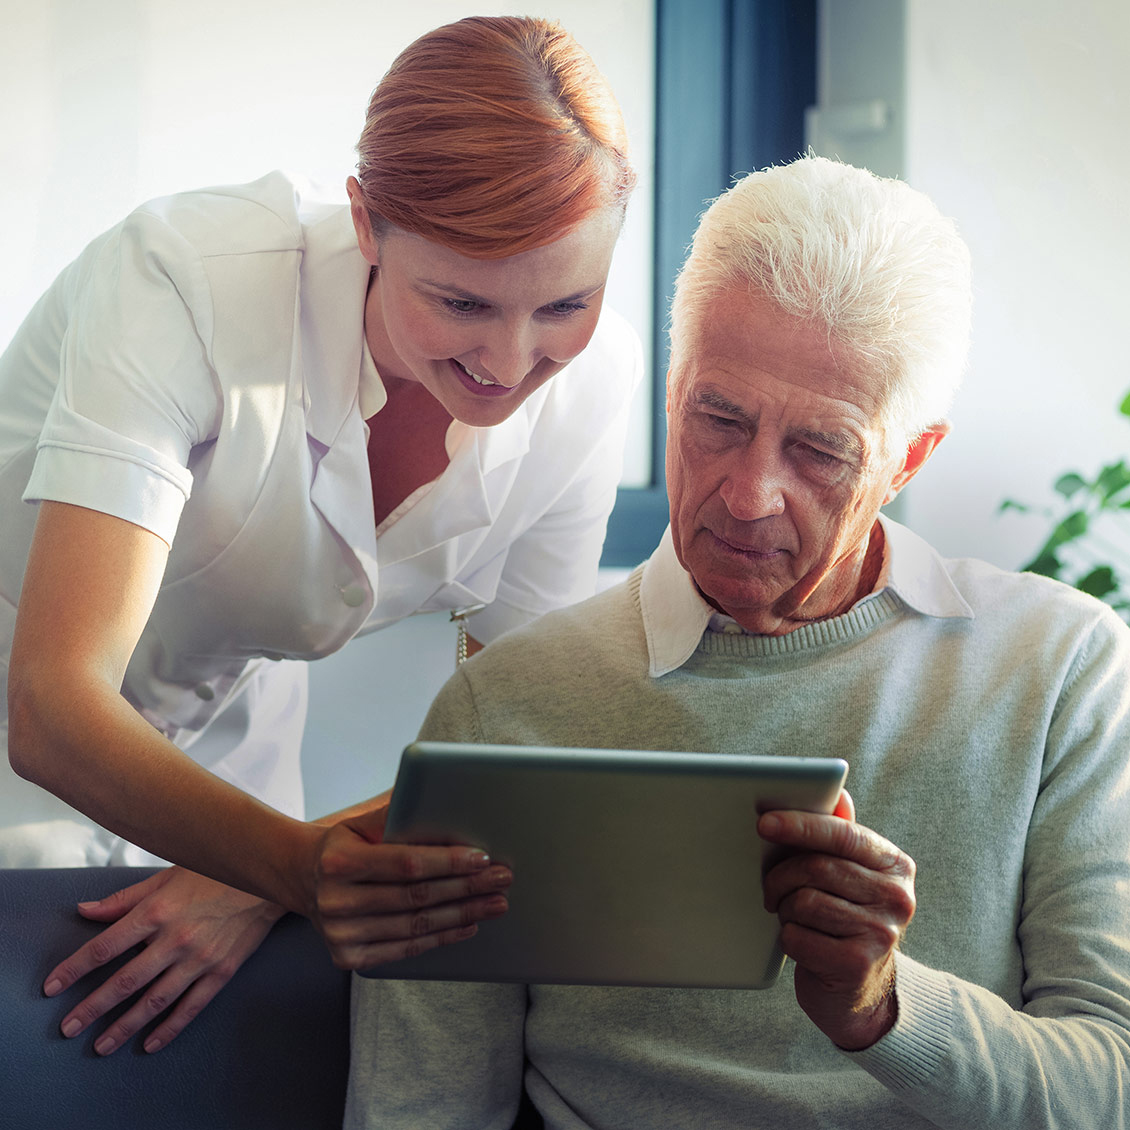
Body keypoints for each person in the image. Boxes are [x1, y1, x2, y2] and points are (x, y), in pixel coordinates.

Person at [345, 155, 1130, 1129]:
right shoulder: (508, 702)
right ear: (670, 392)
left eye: (819, 450)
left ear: (907, 457)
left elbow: (1110, 1083)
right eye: (717, 418)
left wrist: (881, 1006)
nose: (748, 493)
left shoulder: (1060, 669)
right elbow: (418, 1105)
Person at [1, 16, 640, 1055]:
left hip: (243, 762)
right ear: (366, 221)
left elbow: (527, 737)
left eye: (565, 300)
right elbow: (50, 701)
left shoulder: (594, 382)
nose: (512, 360)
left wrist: (259, 874)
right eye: (460, 300)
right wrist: (289, 867)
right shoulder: (185, 279)